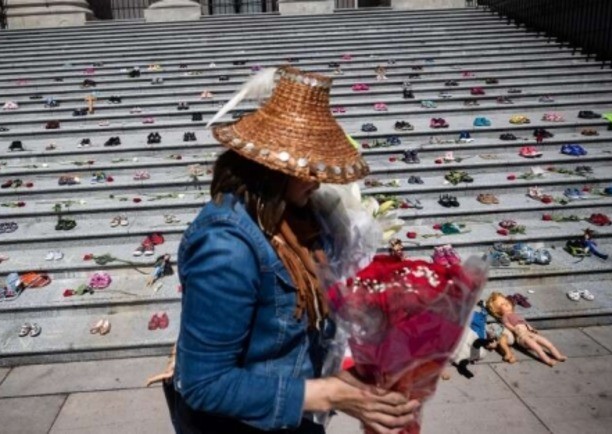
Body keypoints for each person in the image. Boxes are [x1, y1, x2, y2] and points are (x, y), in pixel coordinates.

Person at [151, 66, 420, 434]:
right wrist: (329, 394)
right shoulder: (226, 248)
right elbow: (205, 384)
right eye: (308, 166)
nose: (318, 178)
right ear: (274, 168)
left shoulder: (300, 220)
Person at [486, 292, 567, 367]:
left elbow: (525, 323)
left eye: (506, 301)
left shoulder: (514, 314)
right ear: (497, 311)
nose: (506, 303)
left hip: (530, 333)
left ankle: (558, 356)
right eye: (502, 304)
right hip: (522, 336)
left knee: (548, 344)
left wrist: (531, 328)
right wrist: (514, 329)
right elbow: (507, 324)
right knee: (538, 349)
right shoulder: (504, 317)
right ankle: (548, 360)